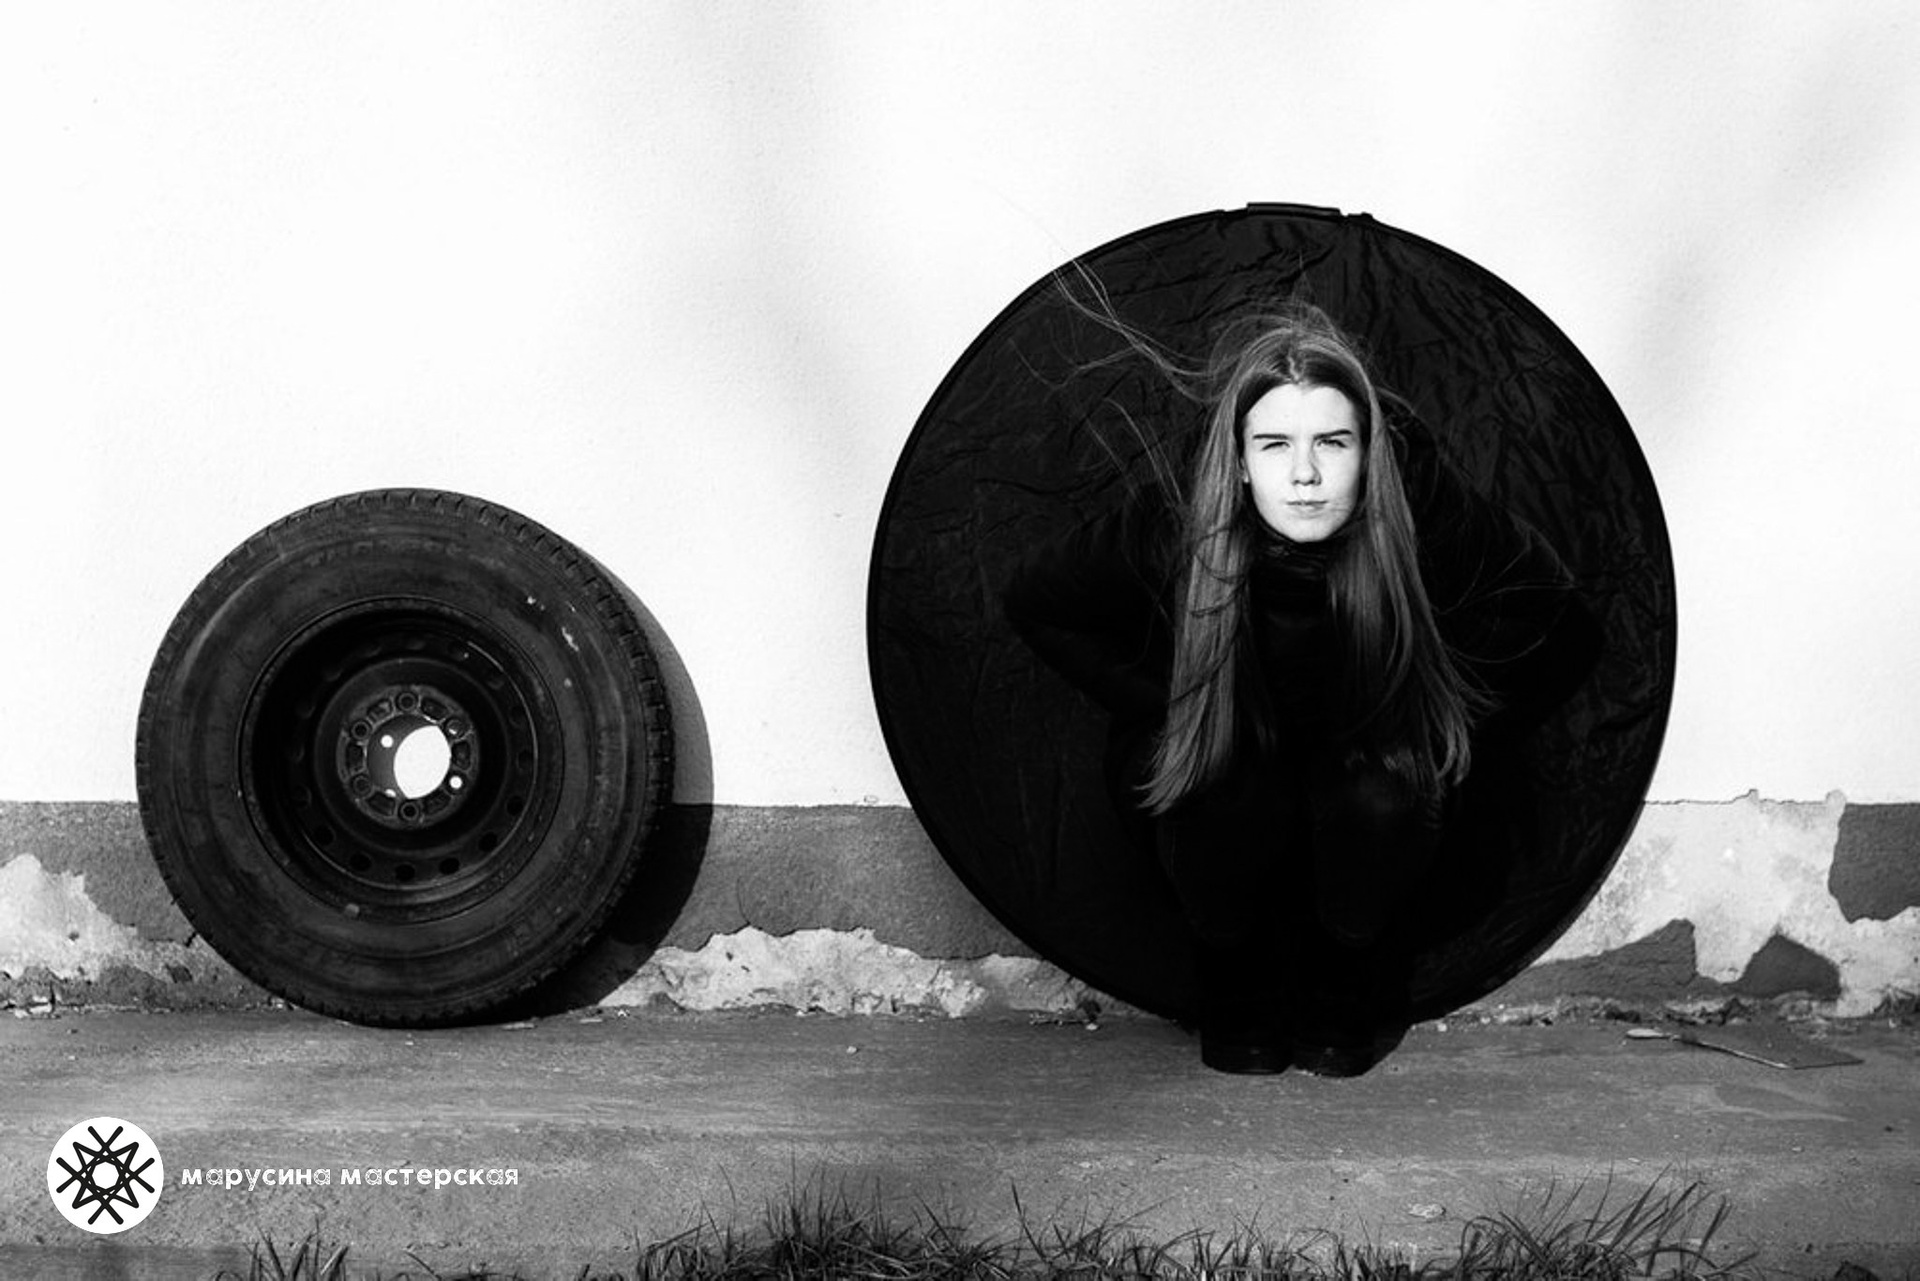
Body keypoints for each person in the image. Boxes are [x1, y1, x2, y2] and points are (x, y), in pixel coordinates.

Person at [1003, 299, 1600, 1076]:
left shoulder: (1421, 506)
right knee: (1220, 786)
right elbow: (1036, 600)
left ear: (1368, 452)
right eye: (1276, 444)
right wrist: (1175, 704)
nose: (1306, 474)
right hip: (1223, 783)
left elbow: (1562, 623)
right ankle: (1236, 986)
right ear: (1240, 460)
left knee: (1380, 792)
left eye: (1332, 442)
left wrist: (1435, 718)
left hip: (1362, 783)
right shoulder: (1178, 519)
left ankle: (1339, 981)